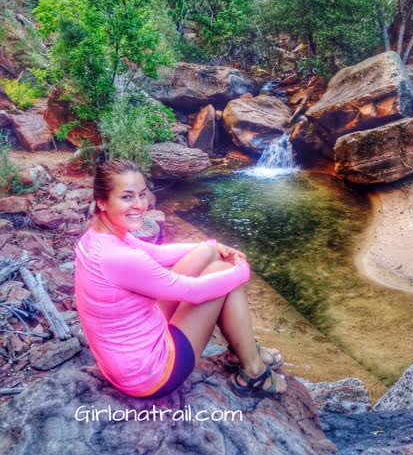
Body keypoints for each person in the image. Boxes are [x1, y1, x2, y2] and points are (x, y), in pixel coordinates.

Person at [74, 159, 287, 399]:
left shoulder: (98, 236)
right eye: (127, 197)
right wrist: (241, 272)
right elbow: (193, 291)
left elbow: (157, 253)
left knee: (211, 256)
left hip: (126, 361)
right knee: (225, 275)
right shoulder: (119, 257)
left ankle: (242, 351)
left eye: (142, 195)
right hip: (151, 374)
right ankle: (253, 370)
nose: (139, 205)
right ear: (102, 202)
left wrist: (212, 245)